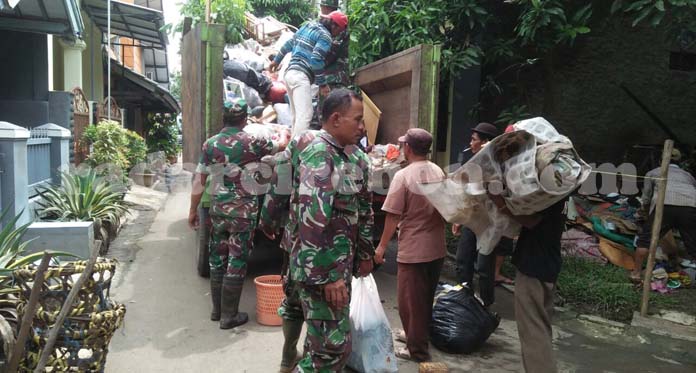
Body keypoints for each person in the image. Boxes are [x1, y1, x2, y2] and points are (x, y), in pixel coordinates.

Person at [290, 88, 374, 372]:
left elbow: (361, 209)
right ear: (336, 119)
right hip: (322, 271)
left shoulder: (350, 155)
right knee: (331, 350)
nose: (363, 127)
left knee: (322, 345)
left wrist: (364, 254)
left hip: (338, 265)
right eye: (358, 119)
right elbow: (312, 219)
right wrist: (327, 277)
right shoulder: (319, 153)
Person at [188, 98, 287, 329]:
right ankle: (229, 316)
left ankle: (217, 311)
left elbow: (199, 182)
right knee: (237, 260)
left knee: (217, 258)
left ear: (223, 118)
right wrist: (282, 132)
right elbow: (280, 146)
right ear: (244, 119)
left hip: (218, 211)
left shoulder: (210, 144)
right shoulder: (253, 141)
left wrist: (192, 211)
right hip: (243, 212)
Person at [373, 128, 446, 362]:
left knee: (409, 303)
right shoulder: (438, 171)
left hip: (414, 250)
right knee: (424, 300)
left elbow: (392, 216)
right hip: (436, 248)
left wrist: (381, 247)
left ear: (409, 148)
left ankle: (418, 352)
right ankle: (413, 335)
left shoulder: (403, 176)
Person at [489, 193, 566, 373]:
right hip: (546, 265)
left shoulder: (551, 196)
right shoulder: (562, 197)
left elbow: (531, 221)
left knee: (533, 332)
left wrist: (501, 204)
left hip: (534, 268)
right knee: (540, 327)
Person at [452, 122, 513, 307]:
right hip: (472, 219)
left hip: (492, 222)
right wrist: (459, 218)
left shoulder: (500, 165)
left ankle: (487, 305)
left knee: (484, 266)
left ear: (486, 143)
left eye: (474, 139)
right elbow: (466, 192)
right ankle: (463, 299)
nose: (471, 143)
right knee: (463, 260)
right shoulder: (470, 161)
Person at [269, 10, 348, 136]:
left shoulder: (308, 26)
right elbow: (316, 60)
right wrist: (322, 84)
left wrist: (276, 61)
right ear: (335, 26)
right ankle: (297, 151)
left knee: (297, 116)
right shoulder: (325, 36)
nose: (339, 34)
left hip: (289, 74)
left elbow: (290, 43)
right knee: (306, 115)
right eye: (340, 30)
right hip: (301, 76)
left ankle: (291, 150)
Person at [632, 148, 696, 281]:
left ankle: (636, 274)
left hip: (664, 205)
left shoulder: (653, 172)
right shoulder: (688, 175)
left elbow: (646, 198)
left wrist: (644, 211)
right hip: (690, 207)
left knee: (645, 240)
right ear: (679, 162)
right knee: (693, 243)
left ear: (661, 160)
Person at [310, 1, 351, 130]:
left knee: (329, 112)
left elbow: (329, 54)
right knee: (326, 111)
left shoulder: (339, 26)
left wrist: (315, 66)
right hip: (329, 77)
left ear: (327, 7)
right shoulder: (327, 25)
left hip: (333, 78)